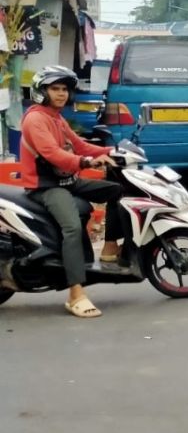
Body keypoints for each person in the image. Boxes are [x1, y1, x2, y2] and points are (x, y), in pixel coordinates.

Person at [20, 66, 123, 319]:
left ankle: (110, 248)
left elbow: (78, 145)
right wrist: (86, 163)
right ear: (41, 91)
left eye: (65, 89)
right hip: (46, 187)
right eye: (55, 89)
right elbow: (53, 154)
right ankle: (75, 294)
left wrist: (112, 152)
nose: (61, 94)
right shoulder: (35, 119)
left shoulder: (57, 118)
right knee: (73, 228)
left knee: (116, 190)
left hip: (67, 181)